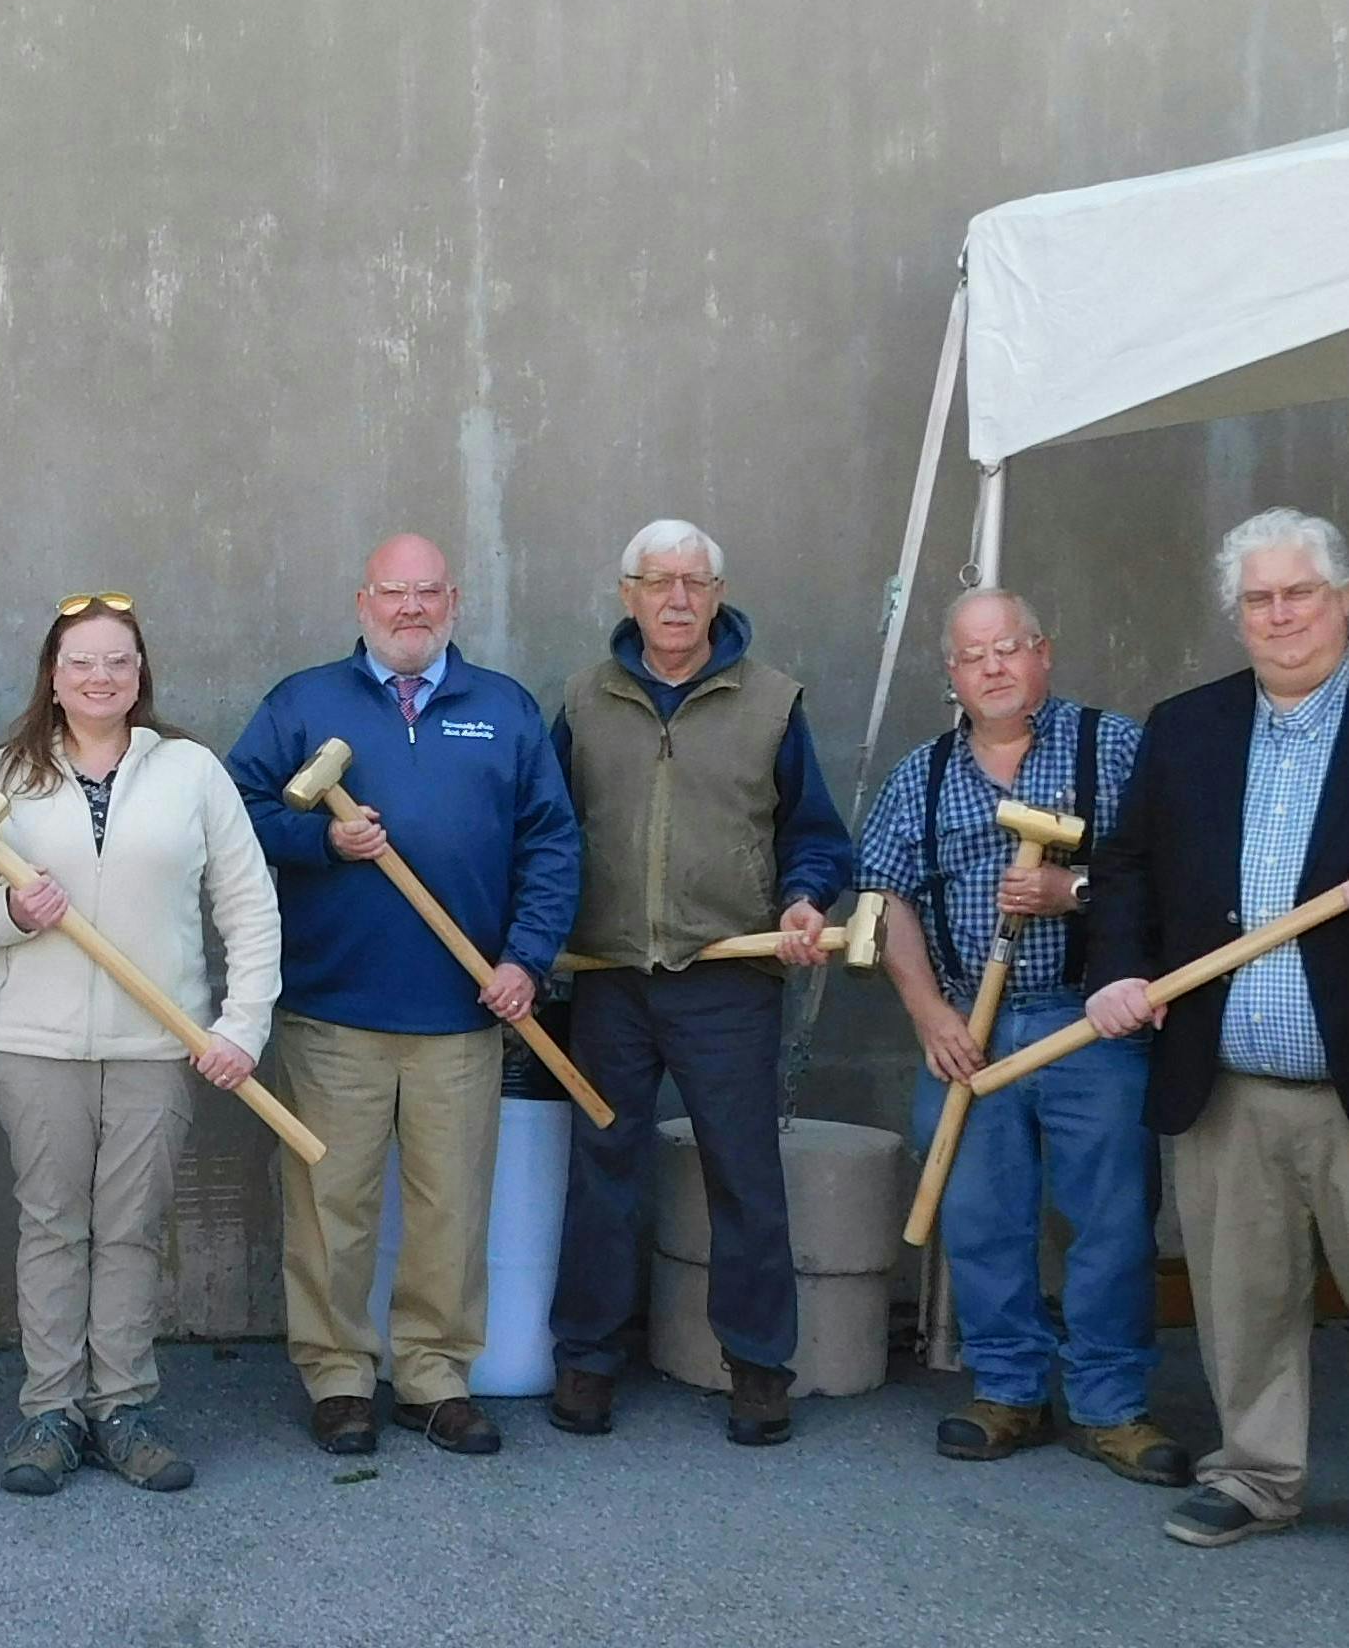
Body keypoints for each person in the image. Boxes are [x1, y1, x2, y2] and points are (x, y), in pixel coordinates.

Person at [225, 535, 579, 1457]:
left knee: (451, 1209)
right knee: (327, 1207)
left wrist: (526, 959)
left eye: (428, 592)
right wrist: (319, 845)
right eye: (394, 592)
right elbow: (236, 812)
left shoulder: (503, 709)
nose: (410, 607)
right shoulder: (303, 704)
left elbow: (552, 844)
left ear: (453, 602)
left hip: (463, 1011)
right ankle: (339, 1375)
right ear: (362, 602)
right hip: (333, 1009)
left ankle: (432, 1375)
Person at [0, 593, 279, 1494]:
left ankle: (120, 1405)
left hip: (156, 1040)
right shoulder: (5, 772)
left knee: (129, 1228)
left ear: (140, 675)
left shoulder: (193, 772)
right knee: (52, 1223)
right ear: (53, 675)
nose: (99, 676)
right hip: (31, 1042)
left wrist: (239, 1026)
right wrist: (11, 911)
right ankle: (49, 1411)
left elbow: (248, 907)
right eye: (80, 661)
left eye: (116, 661)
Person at [857, 588, 1181, 1481]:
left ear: (1043, 652)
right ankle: (1007, 1391)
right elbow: (888, 901)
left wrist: (1070, 892)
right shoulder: (921, 775)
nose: (994, 667)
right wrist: (930, 1015)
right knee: (982, 1219)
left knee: (1113, 1218)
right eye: (974, 655)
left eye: (1010, 648)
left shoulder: (1111, 748)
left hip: (1093, 1025)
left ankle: (1113, 1405)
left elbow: (1171, 876)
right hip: (972, 1028)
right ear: (952, 675)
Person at [549, 519, 855, 1446]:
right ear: (627, 592)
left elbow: (815, 834)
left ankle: (760, 1368)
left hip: (728, 980)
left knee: (743, 1173)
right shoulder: (583, 698)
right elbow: (549, 832)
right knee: (603, 1172)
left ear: (718, 595)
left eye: (695, 582)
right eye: (659, 581)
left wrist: (804, 899)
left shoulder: (771, 701)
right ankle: (588, 1358)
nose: (677, 599)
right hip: (608, 978)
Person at [1086, 507, 1349, 1549]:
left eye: (1300, 593)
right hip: (1226, 1076)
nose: (1280, 614)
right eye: (1258, 598)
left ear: (1338, 601)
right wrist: (1117, 971)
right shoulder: (1186, 726)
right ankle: (1254, 1473)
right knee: (1242, 1297)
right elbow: (1127, 873)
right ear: (1235, 615)